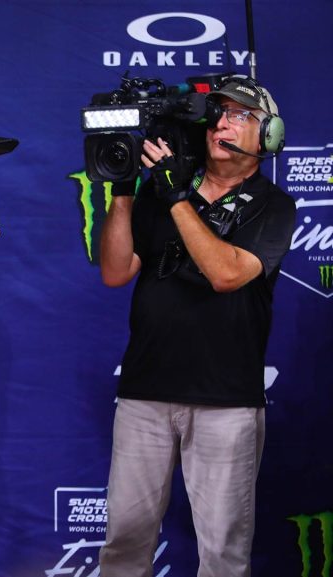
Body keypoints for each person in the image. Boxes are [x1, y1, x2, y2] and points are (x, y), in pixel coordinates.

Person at [97, 77, 296, 576]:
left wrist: (177, 198)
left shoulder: (273, 204)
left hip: (225, 402)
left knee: (223, 551)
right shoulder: (161, 188)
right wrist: (123, 191)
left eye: (241, 116)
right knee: (124, 541)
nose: (223, 123)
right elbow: (116, 272)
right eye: (218, 113)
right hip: (144, 394)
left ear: (268, 135)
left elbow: (227, 274)